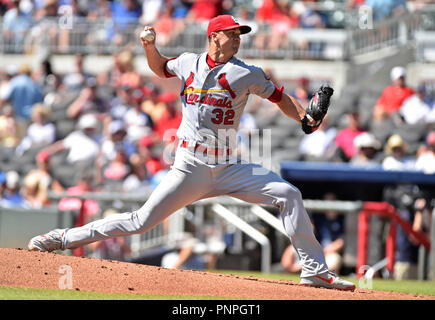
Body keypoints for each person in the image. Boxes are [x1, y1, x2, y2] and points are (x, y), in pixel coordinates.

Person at [28, 15, 355, 291]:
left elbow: (280, 97)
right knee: (140, 221)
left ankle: (314, 270)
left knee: (289, 193)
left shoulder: (247, 73)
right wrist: (148, 46)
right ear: (214, 37)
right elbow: (159, 69)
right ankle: (59, 239)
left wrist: (304, 117)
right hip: (190, 165)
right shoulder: (187, 62)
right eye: (232, 34)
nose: (238, 39)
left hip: (229, 166)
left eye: (240, 35)